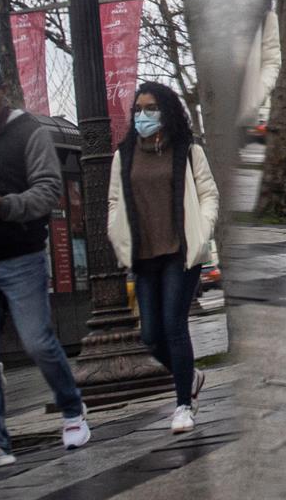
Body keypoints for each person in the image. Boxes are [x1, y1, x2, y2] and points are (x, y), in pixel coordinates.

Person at [0, 61, 89, 471]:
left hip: (20, 256)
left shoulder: (29, 132)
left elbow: (48, 191)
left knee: (37, 343)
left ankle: (72, 409)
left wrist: (6, 207)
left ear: (2, 88)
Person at [107, 82, 220, 434]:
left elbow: (208, 194)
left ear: (167, 110)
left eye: (151, 107)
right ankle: (191, 377)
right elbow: (114, 201)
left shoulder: (187, 150)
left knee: (173, 326)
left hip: (180, 252)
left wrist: (201, 231)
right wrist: (117, 233)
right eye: (138, 108)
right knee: (150, 336)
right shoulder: (123, 154)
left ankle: (183, 404)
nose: (144, 115)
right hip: (143, 254)